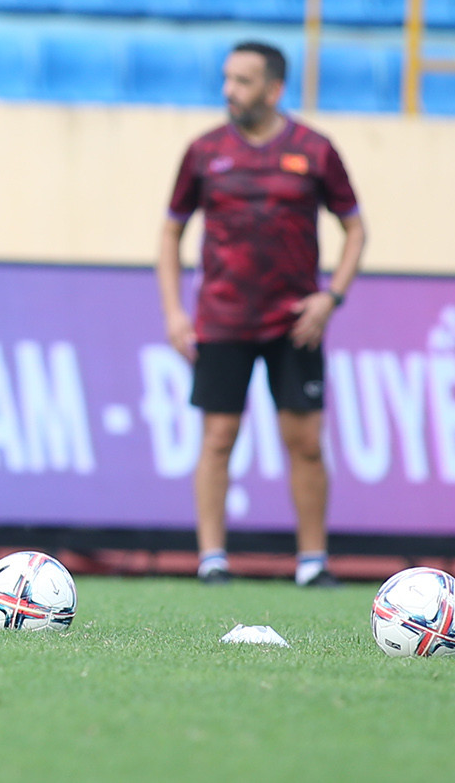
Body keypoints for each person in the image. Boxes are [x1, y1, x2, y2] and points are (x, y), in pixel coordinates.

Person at [156, 41, 365, 588]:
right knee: (218, 438)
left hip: (294, 321)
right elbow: (171, 231)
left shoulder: (315, 150)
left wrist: (331, 297)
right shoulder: (204, 152)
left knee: (305, 442)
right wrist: (175, 312)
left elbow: (355, 228)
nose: (230, 90)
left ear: (274, 89)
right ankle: (212, 560)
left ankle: (313, 562)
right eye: (227, 79)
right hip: (222, 318)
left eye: (243, 81)